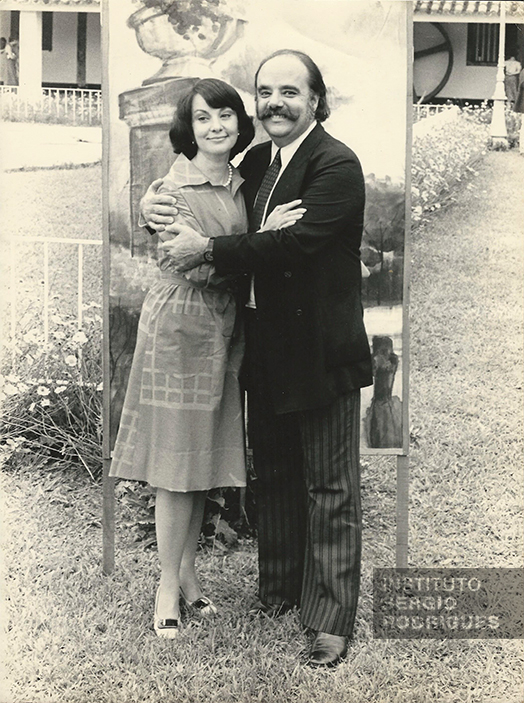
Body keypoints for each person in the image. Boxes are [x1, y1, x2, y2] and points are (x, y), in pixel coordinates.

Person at [142, 50, 372, 666]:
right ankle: (280, 593)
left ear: (316, 100)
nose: (275, 103)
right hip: (262, 349)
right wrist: (152, 205)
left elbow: (296, 244)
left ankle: (328, 621)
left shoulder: (336, 164)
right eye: (266, 92)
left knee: (329, 487)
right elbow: (197, 179)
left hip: (320, 352)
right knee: (274, 481)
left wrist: (218, 245)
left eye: (290, 93)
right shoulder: (258, 162)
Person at [110, 78, 303, 638]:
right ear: (187, 128)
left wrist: (257, 244)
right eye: (202, 118)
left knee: (198, 461)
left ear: (240, 123)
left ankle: (188, 577)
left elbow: (229, 258)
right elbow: (197, 264)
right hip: (182, 327)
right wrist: (264, 242)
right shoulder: (171, 188)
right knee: (175, 464)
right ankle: (166, 587)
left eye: (224, 115)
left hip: (225, 328)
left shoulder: (243, 183)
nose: (215, 126)